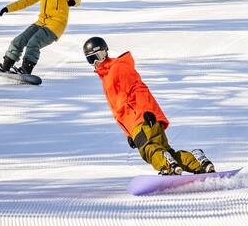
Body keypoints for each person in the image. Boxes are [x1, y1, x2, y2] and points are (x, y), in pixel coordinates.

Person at [83, 36, 216, 176]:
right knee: (166, 151)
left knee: (149, 150)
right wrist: (129, 134)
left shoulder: (117, 68)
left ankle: (168, 167)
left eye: (99, 56)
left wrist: (147, 111)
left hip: (141, 119)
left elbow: (138, 89)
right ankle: (199, 163)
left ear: (105, 52)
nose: (96, 62)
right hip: (140, 121)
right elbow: (118, 110)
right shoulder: (108, 76)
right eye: (91, 59)